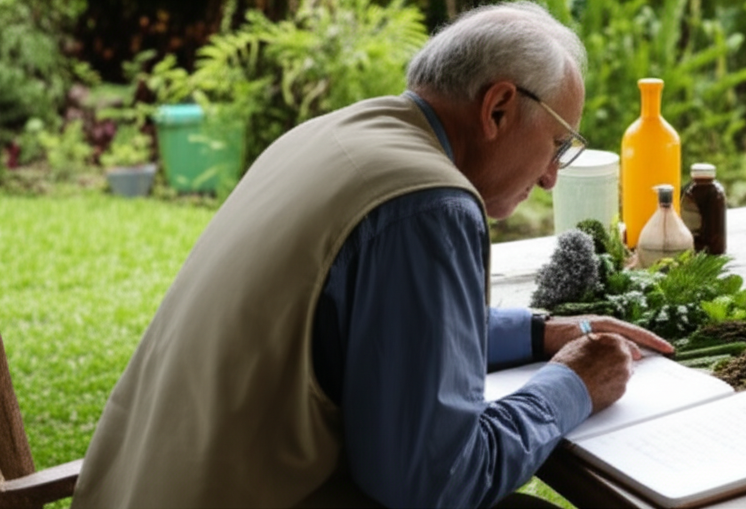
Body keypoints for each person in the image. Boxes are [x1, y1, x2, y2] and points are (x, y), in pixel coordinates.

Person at [71, 2, 674, 508]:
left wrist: (539, 333)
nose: (549, 177)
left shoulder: (329, 136)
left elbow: (377, 333)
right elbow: (435, 481)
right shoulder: (429, 203)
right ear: (497, 108)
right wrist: (571, 383)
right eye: (558, 144)